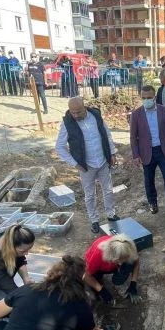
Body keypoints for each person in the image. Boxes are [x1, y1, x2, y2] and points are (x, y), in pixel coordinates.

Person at [56, 97, 119, 234]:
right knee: (90, 195)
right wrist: (75, 164)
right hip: (86, 166)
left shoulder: (96, 115)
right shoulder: (67, 124)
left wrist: (112, 153)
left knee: (108, 190)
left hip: (103, 160)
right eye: (72, 112)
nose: (75, 115)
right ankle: (94, 220)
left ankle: (111, 214)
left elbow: (107, 134)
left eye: (78, 112)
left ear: (85, 108)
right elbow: (59, 147)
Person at [130, 86, 165, 216]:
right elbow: (133, 137)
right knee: (149, 180)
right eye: (144, 98)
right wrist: (136, 155)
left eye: (149, 98)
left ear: (154, 97)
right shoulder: (136, 114)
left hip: (164, 151)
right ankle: (152, 203)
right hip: (146, 152)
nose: (146, 100)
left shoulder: (164, 110)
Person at [83, 234, 142, 305]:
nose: (120, 264)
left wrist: (133, 284)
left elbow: (136, 261)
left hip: (110, 264)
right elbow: (86, 276)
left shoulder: (128, 247)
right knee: (95, 286)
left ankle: (118, 280)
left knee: (127, 267)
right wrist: (102, 290)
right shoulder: (97, 256)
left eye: (123, 260)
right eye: (117, 261)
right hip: (100, 267)